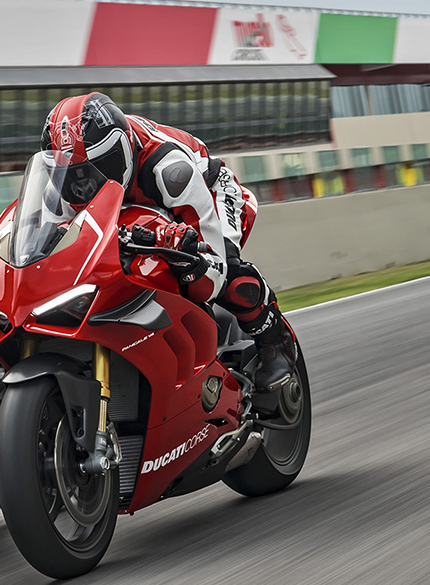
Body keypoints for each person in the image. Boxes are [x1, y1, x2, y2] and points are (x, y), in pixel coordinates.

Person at [40, 92, 295, 391]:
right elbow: (50, 245)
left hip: (207, 192)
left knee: (221, 273)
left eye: (100, 167)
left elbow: (212, 270)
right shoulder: (63, 189)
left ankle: (275, 341)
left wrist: (188, 252)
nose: (86, 183)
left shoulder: (170, 168)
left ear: (122, 149)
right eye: (74, 175)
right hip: (134, 210)